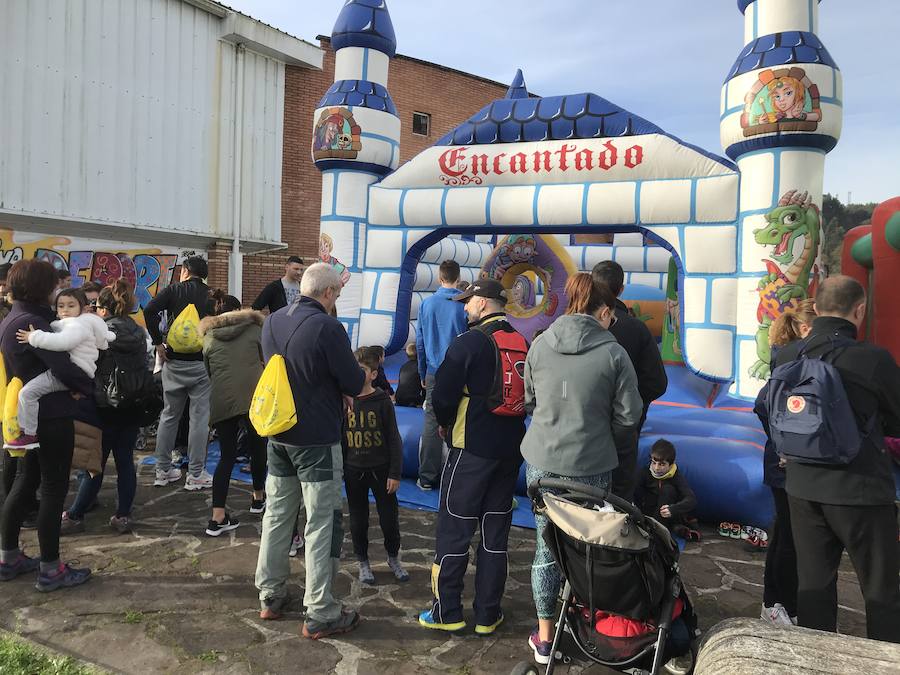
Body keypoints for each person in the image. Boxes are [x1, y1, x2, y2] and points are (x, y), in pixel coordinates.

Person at [759, 276, 900, 642]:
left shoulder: (790, 354)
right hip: (861, 490)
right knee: (880, 590)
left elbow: (765, 406)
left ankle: (817, 660)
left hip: (802, 488)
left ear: (817, 309)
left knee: (815, 586)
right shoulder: (873, 359)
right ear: (860, 310)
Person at [522, 273, 641, 664]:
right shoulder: (613, 354)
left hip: (541, 462)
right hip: (591, 465)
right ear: (605, 312)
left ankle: (544, 637)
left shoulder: (539, 345)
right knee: (589, 546)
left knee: (546, 545)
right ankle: (588, 625)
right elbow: (629, 417)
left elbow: (530, 400)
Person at [254, 262, 365, 639]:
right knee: (322, 522)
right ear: (329, 293)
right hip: (317, 438)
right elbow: (352, 379)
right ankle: (320, 609)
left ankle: (270, 595)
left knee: (277, 514)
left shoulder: (271, 321)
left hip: (279, 433)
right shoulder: (328, 327)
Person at [418, 278, 526, 636]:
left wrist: (445, 425)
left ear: (482, 303)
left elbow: (443, 395)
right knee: (495, 536)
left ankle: (447, 611)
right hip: (510, 449)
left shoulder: (470, 342)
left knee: (454, 530)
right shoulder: (521, 340)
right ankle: (487, 614)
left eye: (468, 302)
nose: (464, 308)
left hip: (471, 449)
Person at [0, 259, 93, 591]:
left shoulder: (11, 318)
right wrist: (87, 387)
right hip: (51, 415)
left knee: (23, 484)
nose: (57, 289)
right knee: (54, 488)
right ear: (41, 286)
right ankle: (51, 569)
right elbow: (64, 366)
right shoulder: (34, 322)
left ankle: (8, 557)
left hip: (23, 417)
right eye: (54, 284)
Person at [63, 281, 151, 534]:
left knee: (95, 463)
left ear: (103, 309)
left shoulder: (101, 333)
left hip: (104, 405)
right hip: (132, 404)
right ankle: (123, 515)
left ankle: (76, 513)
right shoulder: (137, 331)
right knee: (125, 461)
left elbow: (87, 366)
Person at [754, 300, 815, 626]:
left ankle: (773, 603)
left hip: (780, 460)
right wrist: (785, 445)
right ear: (806, 329)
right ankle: (784, 606)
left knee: (783, 534)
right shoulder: (795, 362)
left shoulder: (785, 358)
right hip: (784, 463)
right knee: (789, 538)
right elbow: (763, 405)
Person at [592, 261, 667, 501]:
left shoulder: (568, 328)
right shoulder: (635, 329)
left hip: (580, 426)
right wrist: (631, 404)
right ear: (621, 289)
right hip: (624, 427)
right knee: (618, 493)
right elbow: (656, 382)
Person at [6, 288, 114, 451]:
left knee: (27, 393)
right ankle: (27, 432)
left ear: (83, 308)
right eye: (61, 306)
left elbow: (63, 342)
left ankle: (28, 434)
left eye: (71, 306)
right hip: (78, 371)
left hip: (73, 371)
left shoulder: (77, 325)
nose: (65, 310)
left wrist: (33, 337)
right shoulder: (76, 323)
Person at [144, 255, 215, 491]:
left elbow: (150, 310)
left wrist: (157, 343)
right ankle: (195, 474)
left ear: (185, 271)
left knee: (169, 415)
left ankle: (162, 470)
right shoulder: (211, 295)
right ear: (204, 275)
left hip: (173, 362)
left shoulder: (173, 290)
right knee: (199, 420)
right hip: (199, 363)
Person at [199, 292, 267, 536]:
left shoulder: (208, 337)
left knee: (226, 456)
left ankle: (217, 517)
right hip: (253, 396)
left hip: (222, 398)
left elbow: (209, 371)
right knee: (258, 448)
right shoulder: (255, 329)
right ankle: (258, 498)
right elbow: (266, 360)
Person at [343, 347, 408, 585]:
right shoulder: (345, 400)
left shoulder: (382, 402)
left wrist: (395, 473)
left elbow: (393, 438)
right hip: (353, 470)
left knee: (389, 519)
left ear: (373, 374)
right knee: (358, 520)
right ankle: (363, 561)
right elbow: (340, 436)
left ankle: (393, 557)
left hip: (381, 470)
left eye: (362, 371)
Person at [415, 260, 468, 491]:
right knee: (461, 420)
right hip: (460, 371)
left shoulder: (427, 304)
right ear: (458, 277)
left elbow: (419, 343)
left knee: (432, 422)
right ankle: (457, 477)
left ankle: (427, 477)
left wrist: (422, 372)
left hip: (434, 371)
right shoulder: (464, 304)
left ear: (439, 278)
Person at [634, 439, 700, 540]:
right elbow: (634, 493)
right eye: (654, 462)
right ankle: (669, 527)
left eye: (662, 464)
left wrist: (673, 509)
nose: (656, 468)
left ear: (671, 464)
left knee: (668, 489)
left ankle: (661, 529)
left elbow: (691, 499)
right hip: (649, 512)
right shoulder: (644, 472)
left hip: (666, 513)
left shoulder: (676, 476)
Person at [395, 343, 425, 407]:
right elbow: (424, 384)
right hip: (412, 399)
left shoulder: (403, 366)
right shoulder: (421, 367)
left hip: (399, 398)